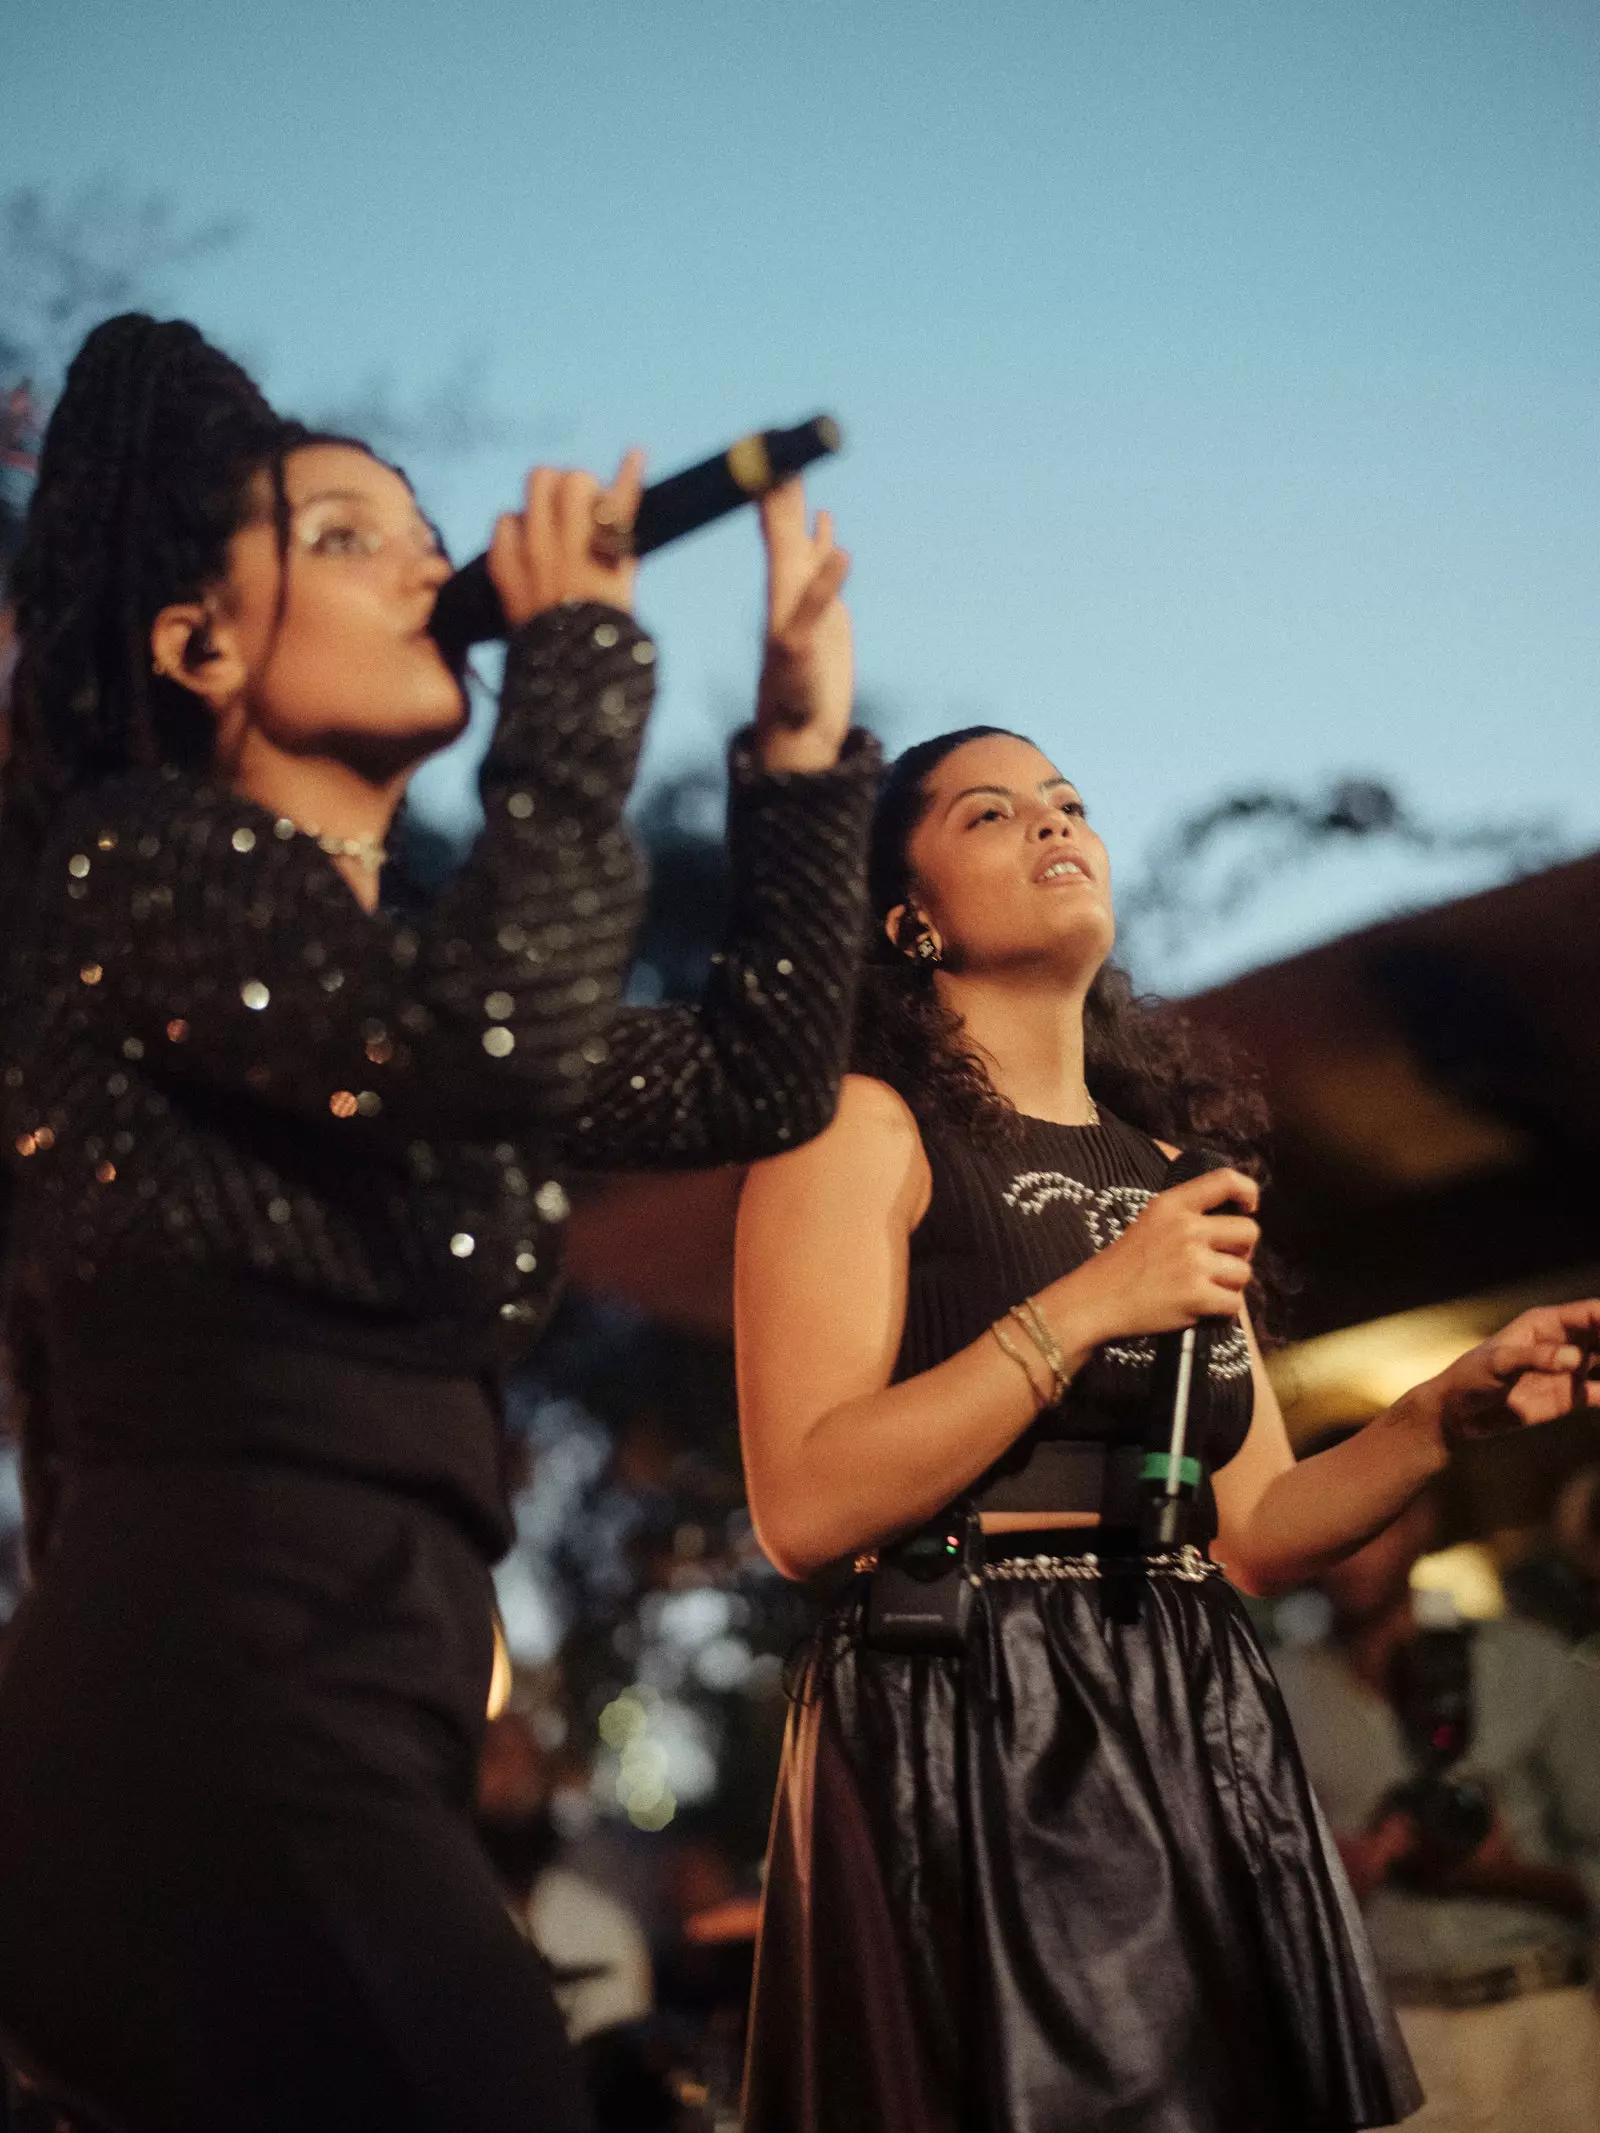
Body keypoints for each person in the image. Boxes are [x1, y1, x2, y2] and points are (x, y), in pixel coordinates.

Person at [0, 313, 878, 2133]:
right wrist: (575, 665)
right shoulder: (137, 872)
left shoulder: (398, 993)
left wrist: (797, 760)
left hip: (356, 1691)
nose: (421, 564)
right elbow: (485, 1027)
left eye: (418, 535)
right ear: (198, 643)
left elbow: (755, 1078)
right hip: (212, 1697)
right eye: (341, 536)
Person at [732, 724, 1600, 2133]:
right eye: (992, 813)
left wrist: (1448, 1410)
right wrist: (1090, 1303)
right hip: (966, 1693)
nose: (1052, 824)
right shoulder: (860, 1129)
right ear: (909, 916)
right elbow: (805, 1504)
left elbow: (1256, 1528)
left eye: (1068, 803)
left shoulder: (1177, 1175)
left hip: (1186, 1687)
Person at [1273, 1441, 1600, 2133]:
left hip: (1544, 2015)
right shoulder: (1273, 1691)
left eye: (1372, 1519)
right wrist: (1325, 1878)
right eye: (1330, 1521)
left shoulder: (1527, 1661)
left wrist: (1513, 1876)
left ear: (1421, 1516)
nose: (1350, 1547)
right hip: (1390, 2034)